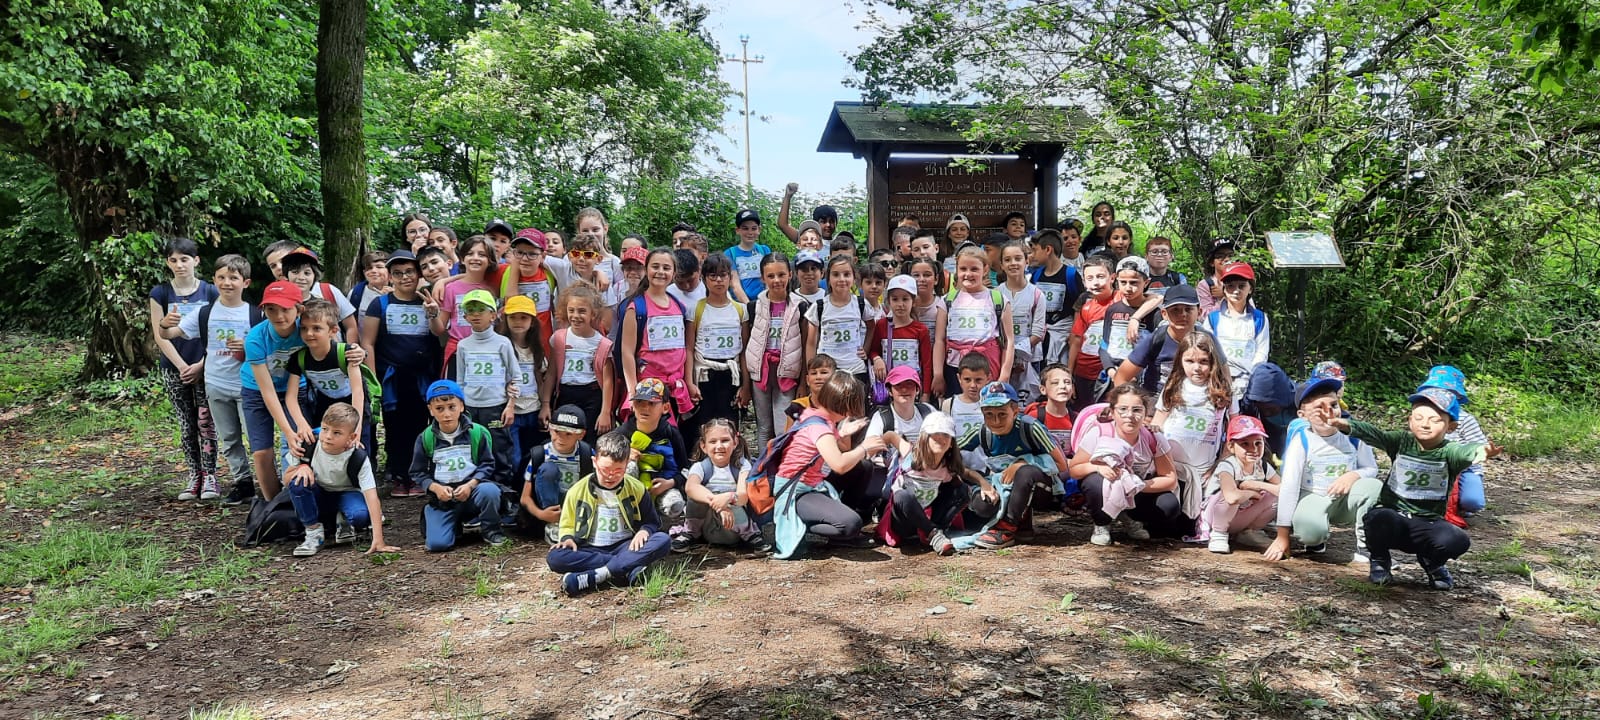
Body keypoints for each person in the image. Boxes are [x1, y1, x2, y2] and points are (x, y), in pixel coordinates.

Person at [1332, 388, 1486, 590]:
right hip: (1394, 518)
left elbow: (1467, 451)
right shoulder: (1401, 441)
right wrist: (1344, 424)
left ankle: (1433, 562)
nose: (1425, 424)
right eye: (1419, 417)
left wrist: (1481, 451)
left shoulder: (1450, 452)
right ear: (1410, 420)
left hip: (1428, 523)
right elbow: (1374, 434)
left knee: (1457, 540)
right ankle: (1379, 560)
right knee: (1376, 518)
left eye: (1435, 419)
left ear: (1451, 426)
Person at [164, 253, 252, 503]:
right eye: (221, 277)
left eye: (233, 278)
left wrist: (246, 349)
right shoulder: (205, 313)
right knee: (229, 439)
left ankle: (269, 485)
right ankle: (242, 483)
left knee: (256, 440)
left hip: (247, 386)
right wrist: (164, 324)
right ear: (213, 280)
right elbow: (171, 333)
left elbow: (264, 351)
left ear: (245, 282)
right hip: (215, 385)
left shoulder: (255, 314)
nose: (227, 283)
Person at [1264, 375, 1381, 563]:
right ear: (1302, 415)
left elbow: (1371, 468)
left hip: (1345, 499)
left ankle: (1365, 544)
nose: (1329, 413)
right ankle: (1315, 537)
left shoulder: (1353, 436)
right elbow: (1290, 486)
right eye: (1319, 408)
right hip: (1313, 496)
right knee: (1310, 533)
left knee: (1374, 487)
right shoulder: (1301, 442)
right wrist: (1282, 535)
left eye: (1334, 406)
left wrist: (1353, 475)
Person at [772, 373, 884, 558]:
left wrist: (841, 434)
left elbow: (823, 450)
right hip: (797, 492)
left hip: (814, 483)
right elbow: (839, 464)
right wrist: (864, 448)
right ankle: (804, 525)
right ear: (846, 404)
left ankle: (834, 515)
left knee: (862, 467)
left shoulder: (818, 415)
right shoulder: (820, 427)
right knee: (851, 524)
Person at [548, 430, 673, 596]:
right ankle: (628, 568)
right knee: (555, 558)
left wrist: (645, 530)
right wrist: (567, 538)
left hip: (626, 546)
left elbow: (652, 521)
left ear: (627, 464)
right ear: (594, 462)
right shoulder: (576, 491)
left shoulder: (636, 488)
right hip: (590, 548)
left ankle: (600, 575)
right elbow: (567, 523)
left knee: (663, 540)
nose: (610, 476)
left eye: (618, 471)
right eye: (605, 469)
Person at [360, 250, 438, 496]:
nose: (404, 277)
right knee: (394, 427)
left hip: (422, 377)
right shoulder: (380, 303)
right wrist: (373, 380)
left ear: (418, 274)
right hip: (391, 377)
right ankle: (398, 475)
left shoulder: (427, 299)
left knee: (421, 425)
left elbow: (440, 336)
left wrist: (433, 312)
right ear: (390, 277)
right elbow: (368, 342)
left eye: (409, 272)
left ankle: (418, 475)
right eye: (397, 273)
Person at [958, 382, 1066, 549]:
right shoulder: (982, 431)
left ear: (1015, 412)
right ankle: (1021, 523)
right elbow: (950, 448)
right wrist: (981, 482)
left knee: (1024, 472)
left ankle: (1007, 528)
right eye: (989, 415)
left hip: (1041, 489)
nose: (995, 421)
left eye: (1002, 414)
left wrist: (1022, 462)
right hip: (1001, 485)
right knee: (982, 505)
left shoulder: (1030, 427)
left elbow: (1062, 464)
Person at [151, 237, 220, 500]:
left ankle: (211, 476)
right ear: (168, 262)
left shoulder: (211, 291)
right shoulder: (160, 293)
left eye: (184, 259)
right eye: (174, 260)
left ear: (196, 261)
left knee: (206, 422)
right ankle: (194, 475)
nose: (180, 265)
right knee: (187, 423)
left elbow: (218, 331)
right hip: (174, 368)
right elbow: (160, 334)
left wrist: (201, 364)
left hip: (206, 365)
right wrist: (181, 366)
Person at [283, 403, 399, 557]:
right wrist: (301, 468)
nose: (328, 436)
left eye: (337, 432)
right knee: (298, 482)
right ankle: (313, 532)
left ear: (351, 437)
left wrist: (379, 540)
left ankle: (343, 519)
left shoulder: (358, 456)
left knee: (360, 516)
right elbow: (286, 480)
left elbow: (372, 497)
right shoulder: (308, 443)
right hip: (319, 492)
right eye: (325, 429)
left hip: (348, 492)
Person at [1072, 384, 1181, 546]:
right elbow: (1074, 469)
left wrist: (1137, 485)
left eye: (1137, 410)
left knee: (1169, 505)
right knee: (1095, 482)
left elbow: (1170, 478)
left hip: (1137, 490)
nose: (1129, 415)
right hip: (1106, 485)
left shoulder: (1154, 437)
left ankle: (1130, 517)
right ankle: (1102, 523)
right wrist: (1097, 468)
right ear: (1112, 412)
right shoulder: (1099, 433)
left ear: (1145, 413)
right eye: (1122, 409)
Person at [1150, 332, 1236, 525]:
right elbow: (1156, 427)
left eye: (1203, 361)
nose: (1197, 368)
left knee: (1189, 527)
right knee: (1165, 520)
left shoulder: (1225, 391)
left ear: (1212, 362)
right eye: (1189, 361)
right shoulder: (1173, 386)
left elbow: (1234, 434)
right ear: (1180, 361)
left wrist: (1218, 467)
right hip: (1172, 469)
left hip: (1204, 474)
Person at [412, 380, 507, 551]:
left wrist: (471, 485)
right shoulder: (425, 438)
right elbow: (417, 472)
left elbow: (487, 464)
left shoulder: (476, 433)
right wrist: (435, 488)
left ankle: (491, 530)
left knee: (490, 491)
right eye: (439, 408)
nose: (446, 414)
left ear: (462, 406)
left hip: (472, 492)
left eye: (451, 406)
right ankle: (445, 522)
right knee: (437, 545)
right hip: (444, 498)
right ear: (431, 410)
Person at [240, 280, 312, 501]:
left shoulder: (306, 331)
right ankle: (272, 505)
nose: (279, 316)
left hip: (295, 388)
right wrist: (287, 432)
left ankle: (301, 498)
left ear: (299, 309)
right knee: (262, 452)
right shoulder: (255, 338)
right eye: (271, 309)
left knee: (302, 442)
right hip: (257, 390)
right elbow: (267, 392)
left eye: (286, 309)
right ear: (263, 310)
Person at [282, 299, 370, 467]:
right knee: (326, 445)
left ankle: (363, 484)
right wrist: (301, 424)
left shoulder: (346, 353)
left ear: (333, 331)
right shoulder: (299, 358)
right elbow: (290, 398)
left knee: (358, 449)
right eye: (304, 328)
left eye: (317, 328)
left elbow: (358, 391)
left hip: (354, 404)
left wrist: (356, 430)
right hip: (326, 403)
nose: (309, 334)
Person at [451, 289, 520, 492]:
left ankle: (504, 496)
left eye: (482, 309)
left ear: (493, 314)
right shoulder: (463, 346)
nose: (476, 314)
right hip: (471, 408)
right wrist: (460, 409)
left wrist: (510, 406)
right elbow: (460, 380)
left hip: (496, 407)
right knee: (474, 451)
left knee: (500, 451)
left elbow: (515, 377)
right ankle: (476, 496)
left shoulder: (503, 343)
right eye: (471, 310)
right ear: (464, 317)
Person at [881, 412, 977, 555]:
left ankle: (935, 531)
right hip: (903, 520)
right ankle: (934, 534)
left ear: (951, 443)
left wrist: (984, 484)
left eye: (946, 435)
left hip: (928, 515)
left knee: (963, 491)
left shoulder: (948, 465)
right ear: (925, 437)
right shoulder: (909, 451)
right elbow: (890, 435)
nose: (940, 439)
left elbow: (965, 474)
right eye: (935, 434)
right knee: (902, 496)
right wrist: (873, 452)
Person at [1415, 365, 1500, 518]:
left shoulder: (1465, 419)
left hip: (1464, 468)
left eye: (1446, 393)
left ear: (1457, 397)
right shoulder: (1423, 416)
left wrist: (1483, 452)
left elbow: (1478, 444)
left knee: (1473, 501)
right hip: (1431, 466)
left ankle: (1460, 505)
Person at [618, 249, 695, 417]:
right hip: (648, 387)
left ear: (674, 273)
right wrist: (632, 390)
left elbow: (685, 348)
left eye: (666, 268)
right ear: (646, 270)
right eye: (655, 266)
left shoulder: (679, 306)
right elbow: (627, 352)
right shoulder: (636, 308)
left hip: (676, 387)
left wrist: (688, 383)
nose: (660, 272)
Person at [686, 253, 750, 450]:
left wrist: (746, 386)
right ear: (704, 279)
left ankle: (731, 463)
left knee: (729, 423)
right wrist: (689, 382)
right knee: (703, 424)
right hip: (704, 374)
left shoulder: (740, 309)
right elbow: (688, 348)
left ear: (730, 279)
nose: (718, 280)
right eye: (713, 276)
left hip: (731, 375)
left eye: (723, 275)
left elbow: (745, 350)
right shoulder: (695, 309)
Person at [618, 379, 691, 541]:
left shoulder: (672, 434)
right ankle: (626, 521)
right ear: (632, 405)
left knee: (675, 505)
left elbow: (686, 469)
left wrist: (671, 483)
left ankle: (662, 526)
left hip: (661, 487)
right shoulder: (621, 434)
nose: (645, 408)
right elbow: (603, 462)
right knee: (628, 467)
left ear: (665, 408)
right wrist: (622, 457)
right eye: (639, 402)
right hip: (630, 490)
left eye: (652, 403)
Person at [745, 253, 805, 450]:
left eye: (781, 275)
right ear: (763, 278)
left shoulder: (801, 306)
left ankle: (781, 474)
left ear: (790, 274)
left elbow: (806, 345)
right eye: (770, 276)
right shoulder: (754, 307)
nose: (776, 280)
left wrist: (803, 381)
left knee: (783, 428)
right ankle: (763, 473)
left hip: (787, 371)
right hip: (761, 371)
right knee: (764, 428)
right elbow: (746, 342)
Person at [680, 419, 767, 552]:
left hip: (734, 528)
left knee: (735, 501)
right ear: (703, 446)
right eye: (713, 441)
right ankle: (691, 533)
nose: (719, 446)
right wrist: (719, 505)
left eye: (725, 440)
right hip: (706, 527)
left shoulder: (742, 465)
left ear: (735, 442)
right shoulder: (700, 467)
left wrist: (729, 498)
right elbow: (690, 487)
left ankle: (751, 535)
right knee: (695, 498)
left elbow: (743, 496)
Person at [1196, 416, 1281, 554]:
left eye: (1258, 443)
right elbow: (1231, 497)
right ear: (1231, 446)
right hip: (1215, 516)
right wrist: (1252, 493)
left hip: (1240, 516)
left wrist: (1255, 484)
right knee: (1230, 495)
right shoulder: (1228, 465)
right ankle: (1218, 534)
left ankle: (1248, 532)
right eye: (1245, 444)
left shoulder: (1262, 466)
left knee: (1276, 496)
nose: (1253, 449)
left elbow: (1284, 490)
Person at [543, 286, 614, 443]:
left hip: (591, 397)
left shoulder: (602, 343)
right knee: (564, 436)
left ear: (593, 314)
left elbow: (608, 380)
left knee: (588, 440)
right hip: (566, 394)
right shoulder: (559, 338)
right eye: (571, 310)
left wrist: (605, 412)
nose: (575, 316)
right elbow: (551, 373)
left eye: (582, 311)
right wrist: (546, 404)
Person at [521, 404, 595, 544]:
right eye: (557, 432)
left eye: (568, 434)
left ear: (581, 434)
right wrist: (542, 514)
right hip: (551, 505)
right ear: (549, 429)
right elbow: (524, 498)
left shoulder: (587, 454)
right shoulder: (540, 454)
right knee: (548, 470)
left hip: (576, 502)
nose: (561, 438)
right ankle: (554, 525)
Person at [1113, 284, 1207, 392]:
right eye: (1175, 310)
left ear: (1199, 312)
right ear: (1164, 314)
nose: (1182, 314)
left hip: (1197, 397)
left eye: (1188, 309)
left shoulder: (1208, 340)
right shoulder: (1156, 340)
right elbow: (1121, 377)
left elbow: (1223, 376)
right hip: (1157, 397)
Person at [944, 247, 1015, 390]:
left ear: (986, 269)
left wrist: (1004, 375)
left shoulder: (998, 299)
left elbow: (1009, 340)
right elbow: (940, 339)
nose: (968, 274)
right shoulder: (947, 300)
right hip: (955, 367)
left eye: (974, 269)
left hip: (988, 367)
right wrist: (939, 374)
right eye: (963, 269)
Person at [806, 256, 875, 388]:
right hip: (827, 371)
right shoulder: (819, 306)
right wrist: (812, 371)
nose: (841, 279)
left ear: (854, 278)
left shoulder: (861, 304)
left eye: (847, 274)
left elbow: (872, 326)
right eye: (836, 274)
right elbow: (811, 342)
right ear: (828, 278)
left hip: (855, 369)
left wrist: (865, 349)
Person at [1206, 262, 1271, 397]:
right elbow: (1208, 351)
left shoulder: (1260, 319)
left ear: (1250, 289)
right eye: (1230, 286)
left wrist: (1249, 378)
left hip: (1248, 384)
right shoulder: (1213, 319)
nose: (1236, 291)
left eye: (1242, 286)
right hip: (1218, 382)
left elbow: (1261, 352)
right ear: (1223, 289)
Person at [502, 295, 548, 480]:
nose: (518, 322)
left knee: (533, 455)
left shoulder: (536, 347)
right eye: (513, 317)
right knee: (514, 456)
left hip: (533, 408)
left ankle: (528, 492)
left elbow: (541, 378)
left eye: (524, 317)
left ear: (532, 321)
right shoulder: (502, 345)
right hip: (512, 411)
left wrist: (545, 406)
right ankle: (513, 491)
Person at [430, 235, 495, 363]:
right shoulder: (450, 288)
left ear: (490, 260)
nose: (475, 258)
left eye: (482, 254)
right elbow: (439, 329)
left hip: (487, 352)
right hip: (457, 350)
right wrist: (432, 314)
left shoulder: (493, 289)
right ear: (462, 259)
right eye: (470, 253)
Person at [1065, 255, 1117, 412]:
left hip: (1113, 370)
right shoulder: (1086, 307)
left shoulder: (1122, 300)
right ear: (1084, 282)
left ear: (1112, 277)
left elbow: (1153, 299)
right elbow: (1076, 339)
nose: (1095, 282)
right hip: (1085, 372)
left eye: (1101, 277)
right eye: (1090, 278)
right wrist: (1069, 375)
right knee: (1085, 413)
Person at [870, 275, 935, 401]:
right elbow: (873, 350)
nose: (900, 304)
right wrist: (877, 359)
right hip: (889, 387)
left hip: (911, 387)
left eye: (905, 299)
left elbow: (927, 364)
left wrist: (926, 393)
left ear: (914, 301)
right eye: (895, 299)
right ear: (888, 301)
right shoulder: (882, 325)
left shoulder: (920, 330)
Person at [279, 247, 359, 343]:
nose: (301, 277)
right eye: (295, 272)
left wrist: (348, 351)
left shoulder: (325, 297)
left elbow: (349, 327)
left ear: (315, 276)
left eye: (307, 273)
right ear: (286, 275)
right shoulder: (278, 304)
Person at [1028, 229, 1083, 368]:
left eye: (1035, 250)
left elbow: (1080, 305)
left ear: (1048, 249)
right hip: (1040, 334)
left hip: (1063, 335)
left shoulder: (1070, 275)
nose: (1032, 255)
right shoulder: (1036, 275)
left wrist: (1074, 334)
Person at [999, 241, 1046, 399]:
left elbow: (1038, 332)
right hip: (1001, 358)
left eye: (1018, 258)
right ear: (1001, 265)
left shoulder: (1037, 294)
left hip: (1030, 359)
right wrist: (1009, 356)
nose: (1013, 263)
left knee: (1027, 401)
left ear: (1026, 261)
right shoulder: (995, 293)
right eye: (1007, 260)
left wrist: (1018, 354)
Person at [1100, 256, 1163, 370]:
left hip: (1140, 372)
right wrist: (1110, 369)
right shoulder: (1112, 309)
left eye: (1134, 283)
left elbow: (1157, 349)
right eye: (1123, 282)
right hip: (1114, 369)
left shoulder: (1155, 313)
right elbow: (1104, 345)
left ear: (1146, 282)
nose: (1128, 288)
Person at [906, 258, 949, 396]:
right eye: (916, 275)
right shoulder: (901, 305)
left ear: (936, 279)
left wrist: (939, 373)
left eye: (927, 275)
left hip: (938, 368)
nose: (921, 279)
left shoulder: (943, 305)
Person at [726, 208, 770, 303]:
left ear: (759, 230)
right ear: (738, 230)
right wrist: (749, 306)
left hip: (764, 302)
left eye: (754, 228)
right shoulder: (730, 253)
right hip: (741, 305)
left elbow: (769, 278)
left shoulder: (764, 250)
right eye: (745, 228)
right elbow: (735, 285)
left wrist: (765, 302)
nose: (750, 232)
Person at [348, 251, 390, 332]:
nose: (373, 271)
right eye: (369, 268)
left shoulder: (399, 292)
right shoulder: (355, 294)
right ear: (364, 272)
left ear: (389, 270)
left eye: (379, 267)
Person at [1196, 238, 1235, 316]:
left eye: (1231, 255)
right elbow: (1204, 316)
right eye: (1220, 256)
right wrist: (1225, 300)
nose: (1227, 259)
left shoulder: (1242, 281)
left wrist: (1226, 294)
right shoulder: (1205, 285)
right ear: (1211, 262)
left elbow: (1250, 309)